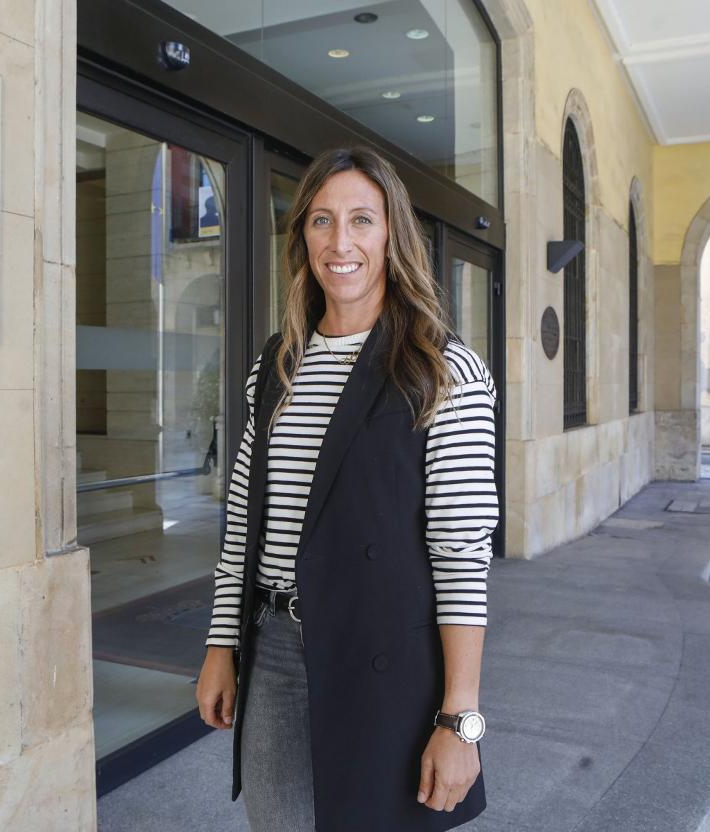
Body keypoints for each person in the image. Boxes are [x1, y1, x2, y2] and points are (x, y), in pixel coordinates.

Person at [196, 145, 498, 832]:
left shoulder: (443, 370)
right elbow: (244, 524)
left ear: (392, 235)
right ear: (302, 235)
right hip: (273, 647)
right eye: (323, 221)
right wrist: (222, 646)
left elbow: (461, 553)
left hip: (383, 651)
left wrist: (462, 719)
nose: (342, 242)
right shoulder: (276, 366)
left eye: (362, 220)